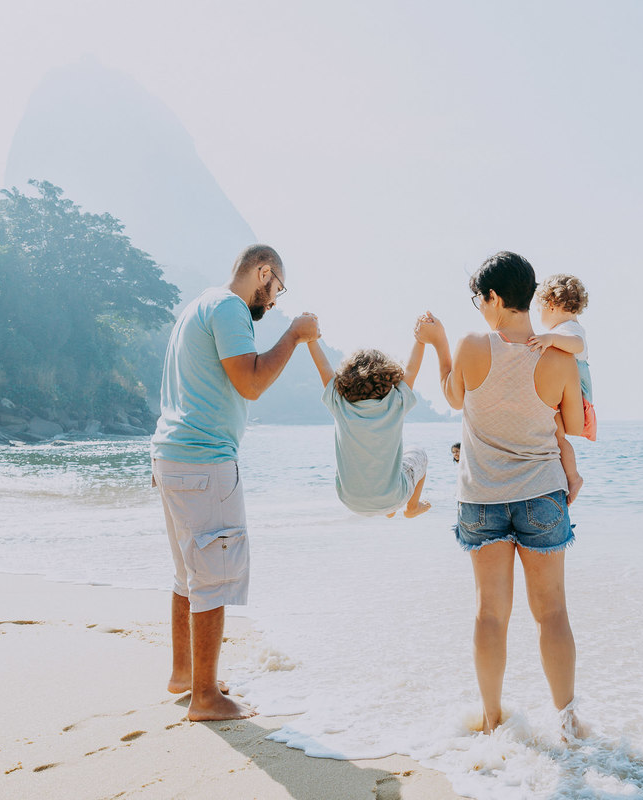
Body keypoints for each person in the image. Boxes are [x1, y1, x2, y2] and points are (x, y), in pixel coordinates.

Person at [416, 252, 587, 739]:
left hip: (482, 496)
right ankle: (568, 723)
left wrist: (439, 344)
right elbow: (573, 424)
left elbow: (453, 396)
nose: (479, 309)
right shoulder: (560, 358)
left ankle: (492, 721)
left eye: (479, 300)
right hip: (542, 494)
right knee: (552, 611)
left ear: (493, 297)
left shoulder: (473, 345)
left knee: (490, 612)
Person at [151, 244, 320, 721]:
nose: (272, 302)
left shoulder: (198, 306)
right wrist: (294, 335)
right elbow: (250, 383)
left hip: (172, 455)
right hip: (204, 460)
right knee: (213, 575)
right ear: (261, 272)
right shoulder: (229, 308)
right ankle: (205, 697)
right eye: (275, 289)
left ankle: (185, 676)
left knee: (189, 573)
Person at [305, 327, 430, 519]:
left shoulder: (340, 404)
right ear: (389, 376)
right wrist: (420, 340)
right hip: (394, 496)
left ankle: (390, 509)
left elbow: (323, 367)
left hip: (351, 501)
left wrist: (312, 340)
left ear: (346, 377)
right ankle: (411, 507)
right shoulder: (396, 402)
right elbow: (412, 368)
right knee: (418, 453)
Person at [526, 274, 595, 504]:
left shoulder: (570, 329)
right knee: (556, 437)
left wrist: (550, 338)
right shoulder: (566, 329)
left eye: (541, 311)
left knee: (559, 437)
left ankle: (573, 477)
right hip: (569, 393)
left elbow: (578, 345)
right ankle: (570, 476)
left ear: (551, 305)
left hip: (577, 396)